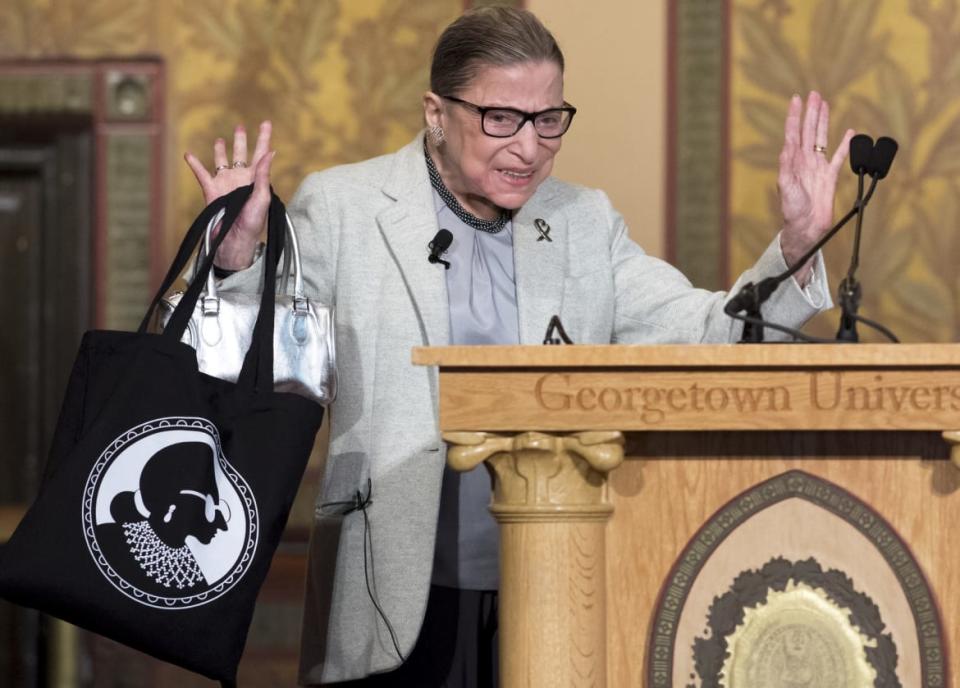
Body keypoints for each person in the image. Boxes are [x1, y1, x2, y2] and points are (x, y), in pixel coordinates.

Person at [183, 7, 852, 686]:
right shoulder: (345, 208)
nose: (529, 147)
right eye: (501, 118)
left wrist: (796, 248)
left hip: (558, 582)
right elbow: (247, 372)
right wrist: (234, 264)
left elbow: (707, 332)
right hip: (388, 583)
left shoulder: (582, 220)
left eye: (549, 119)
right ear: (437, 113)